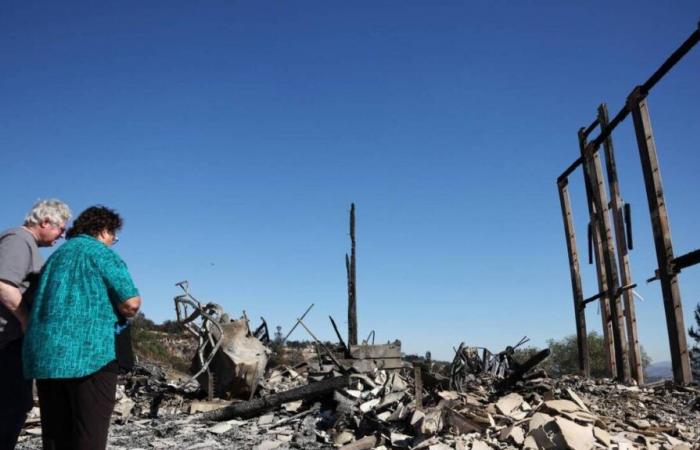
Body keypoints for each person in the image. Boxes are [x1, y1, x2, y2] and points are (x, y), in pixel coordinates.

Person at [23, 206, 141, 450]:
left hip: (47, 358)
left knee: (56, 438)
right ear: (102, 230)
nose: (112, 242)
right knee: (89, 436)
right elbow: (130, 303)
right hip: (91, 356)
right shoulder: (100, 253)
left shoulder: (55, 258)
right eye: (113, 236)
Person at [0, 199, 71, 449]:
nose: (62, 235)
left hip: (11, 343)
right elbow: (3, 284)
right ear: (45, 222)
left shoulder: (27, 244)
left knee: (16, 406)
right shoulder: (18, 240)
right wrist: (26, 321)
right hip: (5, 342)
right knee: (11, 407)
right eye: (61, 228)